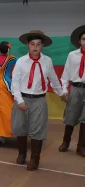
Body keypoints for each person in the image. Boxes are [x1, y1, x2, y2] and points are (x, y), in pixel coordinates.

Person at [11, 30, 65, 171]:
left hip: (39, 100)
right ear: (27, 45)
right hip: (22, 98)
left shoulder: (47, 61)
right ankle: (22, 154)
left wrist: (61, 93)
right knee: (20, 128)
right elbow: (15, 83)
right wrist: (19, 100)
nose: (35, 47)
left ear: (42, 46)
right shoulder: (21, 62)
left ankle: (35, 159)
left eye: (38, 44)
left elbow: (53, 79)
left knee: (37, 130)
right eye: (32, 44)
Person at [59, 25, 85, 157]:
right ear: (80, 41)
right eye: (84, 39)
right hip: (75, 89)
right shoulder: (72, 55)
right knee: (70, 117)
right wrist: (64, 90)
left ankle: (81, 146)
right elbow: (65, 75)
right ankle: (66, 142)